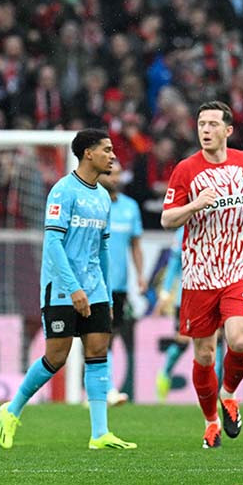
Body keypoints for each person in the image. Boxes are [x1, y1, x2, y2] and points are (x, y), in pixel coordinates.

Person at [0, 129, 138, 451]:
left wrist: (105, 290)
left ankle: (99, 433)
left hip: (96, 288)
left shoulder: (103, 196)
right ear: (88, 153)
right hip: (61, 287)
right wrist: (74, 288)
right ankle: (13, 408)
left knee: (98, 352)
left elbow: (103, 249)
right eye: (107, 150)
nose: (113, 156)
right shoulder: (63, 191)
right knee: (56, 356)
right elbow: (54, 244)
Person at [161, 101, 243, 449]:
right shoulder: (185, 170)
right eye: (201, 124)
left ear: (228, 130)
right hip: (199, 274)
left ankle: (229, 394)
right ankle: (210, 423)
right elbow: (167, 219)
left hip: (238, 267)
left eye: (212, 124)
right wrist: (194, 205)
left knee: (239, 339)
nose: (205, 130)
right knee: (204, 355)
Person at [154, 226, 226, 401]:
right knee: (183, 341)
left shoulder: (221, 227)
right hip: (186, 298)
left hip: (214, 296)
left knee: (215, 343)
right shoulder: (182, 232)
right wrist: (164, 293)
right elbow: (173, 265)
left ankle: (212, 395)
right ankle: (165, 373)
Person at [98, 161, 146, 406]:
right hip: (94, 283)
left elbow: (135, 245)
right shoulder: (92, 203)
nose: (114, 178)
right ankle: (106, 389)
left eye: (117, 174)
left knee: (109, 336)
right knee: (98, 336)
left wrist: (140, 275)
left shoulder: (130, 207)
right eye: (110, 173)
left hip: (119, 285)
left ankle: (99, 390)